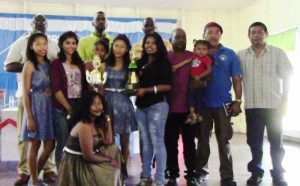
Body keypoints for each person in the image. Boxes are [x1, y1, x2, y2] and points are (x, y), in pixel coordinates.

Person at [4, 14, 58, 185]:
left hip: (48, 101)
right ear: (31, 24)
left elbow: (57, 66)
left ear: (48, 26)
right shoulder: (20, 44)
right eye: (37, 22)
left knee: (49, 140)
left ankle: (47, 170)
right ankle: (25, 172)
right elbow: (9, 65)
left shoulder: (53, 44)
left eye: (43, 23)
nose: (40, 25)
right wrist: (32, 66)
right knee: (28, 139)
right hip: (28, 97)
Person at [237, 22, 292, 186]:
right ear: (249, 36)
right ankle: (256, 172)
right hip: (252, 107)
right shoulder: (241, 55)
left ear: (266, 34)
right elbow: (236, 80)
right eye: (253, 32)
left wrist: (285, 100)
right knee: (254, 143)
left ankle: (278, 173)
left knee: (276, 141)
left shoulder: (277, 53)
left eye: (260, 32)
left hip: (274, 106)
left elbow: (287, 78)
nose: (256, 35)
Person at [195, 22, 242, 186]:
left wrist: (237, 100)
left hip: (223, 104)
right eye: (210, 32)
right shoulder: (198, 54)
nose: (213, 35)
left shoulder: (229, 54)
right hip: (203, 104)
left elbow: (236, 78)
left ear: (220, 35)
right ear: (204, 35)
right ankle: (200, 173)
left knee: (224, 140)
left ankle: (227, 176)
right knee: (202, 140)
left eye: (217, 32)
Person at [57, 90, 123, 186]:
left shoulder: (96, 121)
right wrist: (109, 160)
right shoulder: (84, 126)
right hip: (77, 162)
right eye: (93, 104)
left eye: (99, 103)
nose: (97, 107)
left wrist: (108, 121)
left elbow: (108, 142)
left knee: (113, 149)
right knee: (111, 170)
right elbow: (88, 156)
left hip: (88, 157)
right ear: (86, 107)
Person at [135, 32, 172, 186]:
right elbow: (133, 82)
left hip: (157, 105)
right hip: (141, 107)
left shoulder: (163, 62)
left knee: (157, 142)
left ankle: (160, 179)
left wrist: (148, 90)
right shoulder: (139, 62)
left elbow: (168, 86)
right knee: (145, 143)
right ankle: (145, 176)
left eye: (153, 43)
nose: (149, 45)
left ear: (158, 45)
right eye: (147, 42)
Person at [164, 28, 199, 186]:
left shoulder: (193, 56)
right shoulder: (165, 58)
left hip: (189, 109)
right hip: (168, 110)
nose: (180, 40)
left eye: (183, 37)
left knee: (190, 144)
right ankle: (172, 173)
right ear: (170, 40)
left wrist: (200, 82)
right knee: (170, 144)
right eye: (177, 37)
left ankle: (191, 175)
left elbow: (205, 75)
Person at [21, 32, 55, 186]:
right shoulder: (29, 65)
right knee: (35, 144)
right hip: (35, 106)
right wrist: (29, 116)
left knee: (50, 144)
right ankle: (34, 180)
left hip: (48, 106)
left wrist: (52, 90)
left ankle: (33, 175)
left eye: (44, 43)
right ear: (31, 46)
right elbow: (26, 92)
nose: (42, 47)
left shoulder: (49, 63)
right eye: (38, 44)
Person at [50, 31, 88, 167]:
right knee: (63, 140)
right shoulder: (56, 64)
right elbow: (56, 89)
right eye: (67, 43)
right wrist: (68, 107)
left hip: (78, 106)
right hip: (61, 108)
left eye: (73, 43)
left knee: (76, 140)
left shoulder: (80, 64)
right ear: (61, 45)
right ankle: (61, 173)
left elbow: (84, 86)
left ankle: (74, 171)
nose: (71, 46)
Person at [101, 34, 138, 174]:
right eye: (116, 45)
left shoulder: (130, 66)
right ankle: (108, 168)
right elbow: (100, 87)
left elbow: (133, 86)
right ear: (112, 46)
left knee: (125, 140)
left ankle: (123, 169)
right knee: (107, 139)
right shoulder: (104, 64)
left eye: (122, 46)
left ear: (127, 49)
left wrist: (134, 88)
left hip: (124, 104)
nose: (118, 49)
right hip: (107, 103)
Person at [172, 39, 212, 124]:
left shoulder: (206, 59)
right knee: (190, 98)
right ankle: (192, 115)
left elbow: (209, 70)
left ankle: (198, 115)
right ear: (195, 49)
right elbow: (186, 61)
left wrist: (200, 77)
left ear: (207, 51)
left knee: (199, 98)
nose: (201, 51)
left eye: (204, 49)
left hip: (199, 81)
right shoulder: (194, 56)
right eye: (199, 49)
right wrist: (176, 66)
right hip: (192, 81)